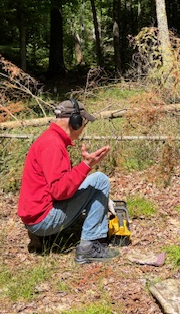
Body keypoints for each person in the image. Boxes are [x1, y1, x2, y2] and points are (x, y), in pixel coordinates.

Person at [17, 99, 119, 264]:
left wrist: (91, 191)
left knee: (95, 182)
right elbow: (60, 191)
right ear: (75, 122)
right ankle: (89, 248)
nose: (83, 128)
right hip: (41, 220)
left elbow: (61, 183)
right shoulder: (53, 145)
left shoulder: (50, 139)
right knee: (100, 180)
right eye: (84, 122)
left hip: (35, 216)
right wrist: (86, 166)